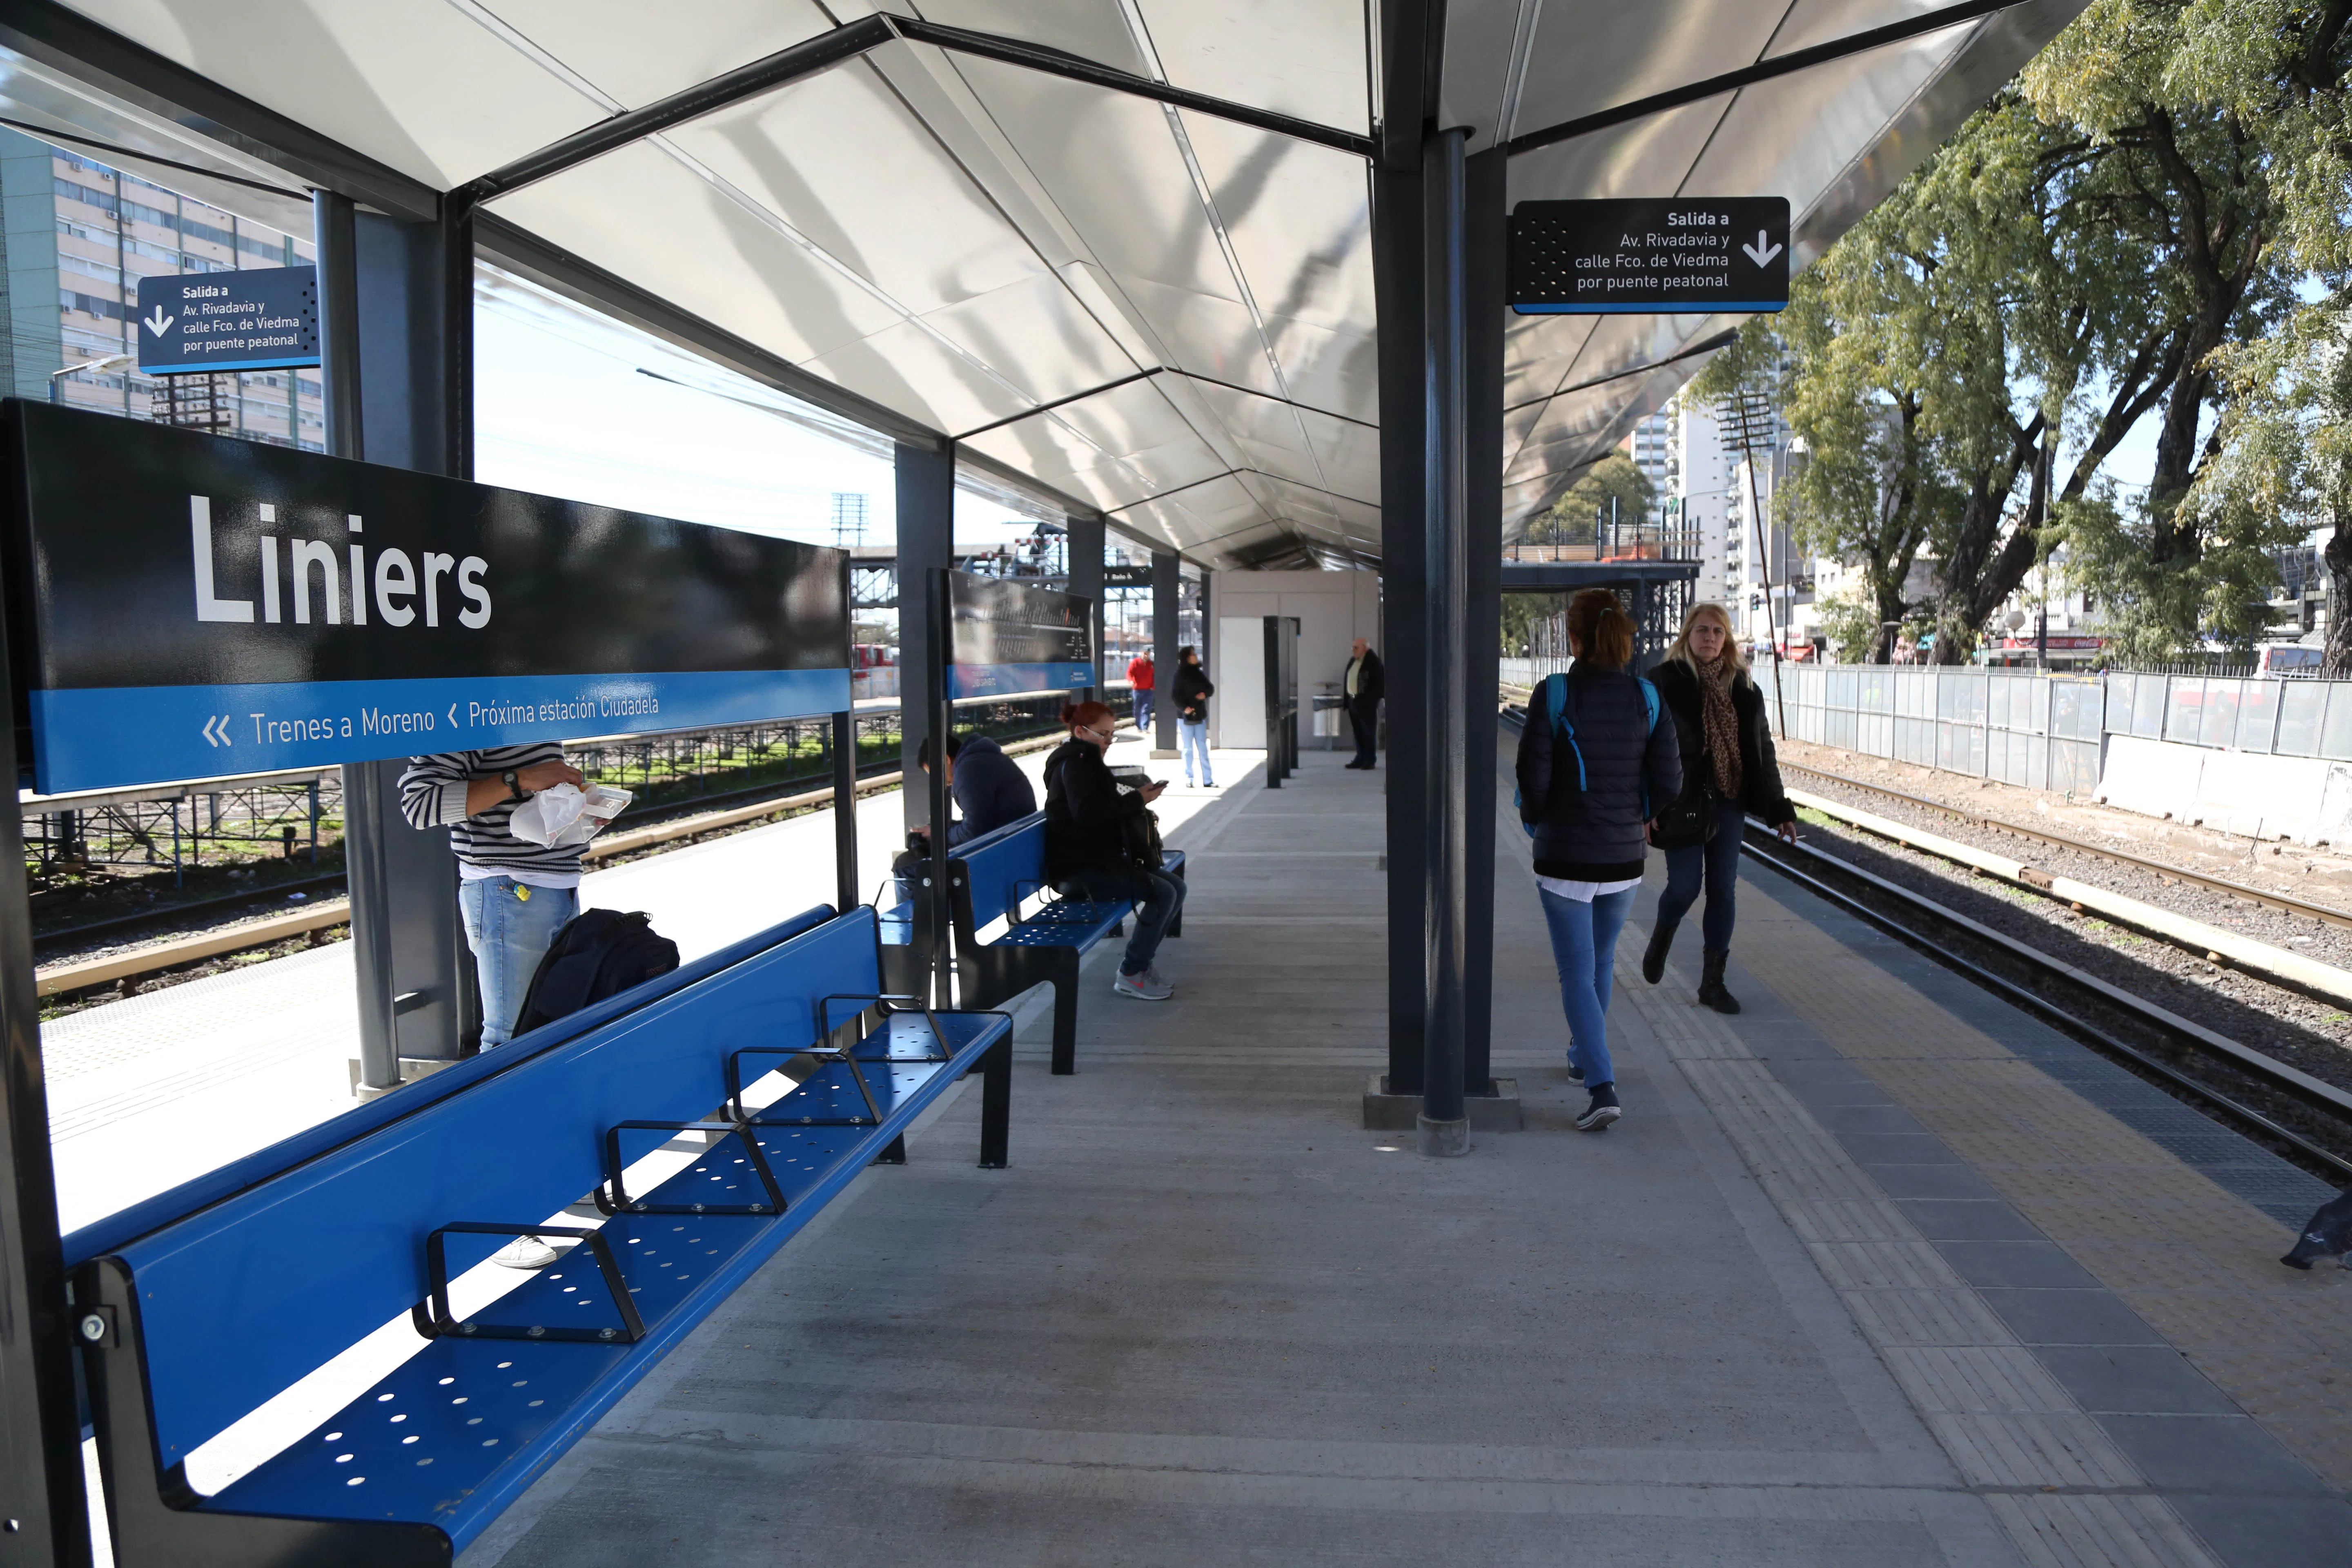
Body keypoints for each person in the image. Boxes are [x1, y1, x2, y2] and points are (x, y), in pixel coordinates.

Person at [400, 744, 590, 1270]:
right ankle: (497, 1218)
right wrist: (519, 780)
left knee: (546, 1045)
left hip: (552, 885)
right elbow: (420, 805)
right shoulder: (465, 710)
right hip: (509, 889)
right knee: (508, 1051)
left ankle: (542, 1184)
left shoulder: (531, 704)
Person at [1515, 589, 1680, 1131]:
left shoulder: (1555, 693)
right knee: (1601, 963)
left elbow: (1533, 778)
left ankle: (1601, 1086)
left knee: (1575, 974)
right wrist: (1640, 816)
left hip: (1565, 858)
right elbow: (1670, 780)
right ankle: (1583, 1057)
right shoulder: (1647, 697)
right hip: (1623, 860)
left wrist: (1538, 820)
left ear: (1574, 638)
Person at [1643, 602, 1798, 1014]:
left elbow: (1763, 751)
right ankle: (1663, 933)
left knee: (1722, 889)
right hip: (1681, 802)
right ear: (1687, 636)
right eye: (1702, 630)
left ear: (1726, 639)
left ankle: (1713, 983)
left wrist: (1780, 808)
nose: (1710, 638)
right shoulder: (1663, 682)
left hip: (1729, 801)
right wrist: (1647, 805)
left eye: (1717, 631)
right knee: (1684, 888)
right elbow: (1644, 749)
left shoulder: (1745, 689)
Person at [1043, 699, 1186, 1001]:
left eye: (1112, 734)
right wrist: (1137, 800)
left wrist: (1137, 797)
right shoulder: (1075, 765)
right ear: (1080, 732)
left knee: (1176, 887)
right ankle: (1133, 972)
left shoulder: (1086, 761)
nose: (1108, 741)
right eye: (1103, 734)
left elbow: (1100, 809)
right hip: (1077, 870)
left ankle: (1140, 966)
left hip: (1097, 861)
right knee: (1164, 893)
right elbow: (1087, 815)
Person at [907, 730, 1039, 853]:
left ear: (946, 760)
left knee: (909, 863)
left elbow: (973, 832)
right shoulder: (981, 759)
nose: (940, 782)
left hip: (1009, 849)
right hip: (1017, 839)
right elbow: (981, 821)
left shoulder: (968, 771)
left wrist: (939, 835)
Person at [1172, 644, 1214, 788]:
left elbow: (1210, 688)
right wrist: (1184, 708)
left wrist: (1205, 694)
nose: (1196, 657)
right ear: (1187, 658)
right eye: (1193, 655)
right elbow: (1175, 695)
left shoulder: (1198, 673)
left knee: (1203, 748)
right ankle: (1189, 778)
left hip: (1199, 716)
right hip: (1185, 717)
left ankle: (1208, 780)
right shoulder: (1180, 675)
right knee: (1188, 749)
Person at [1343, 638, 1384, 769]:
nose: (1353, 650)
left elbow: (1380, 685)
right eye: (1353, 648)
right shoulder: (1353, 661)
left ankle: (1370, 760)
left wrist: (1370, 700)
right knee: (1358, 732)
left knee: (1368, 733)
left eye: (1356, 648)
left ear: (1365, 648)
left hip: (1366, 704)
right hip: (1353, 701)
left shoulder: (1374, 662)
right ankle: (1360, 758)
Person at [1126, 650, 1156, 734]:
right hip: (1137, 690)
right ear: (1141, 654)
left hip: (1148, 690)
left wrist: (1153, 686)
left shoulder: (1151, 664)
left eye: (1148, 654)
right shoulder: (1135, 662)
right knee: (1137, 709)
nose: (1146, 656)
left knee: (1147, 709)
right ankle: (1139, 726)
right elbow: (1129, 673)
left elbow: (1155, 675)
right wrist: (1131, 681)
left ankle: (1145, 727)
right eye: (1145, 654)